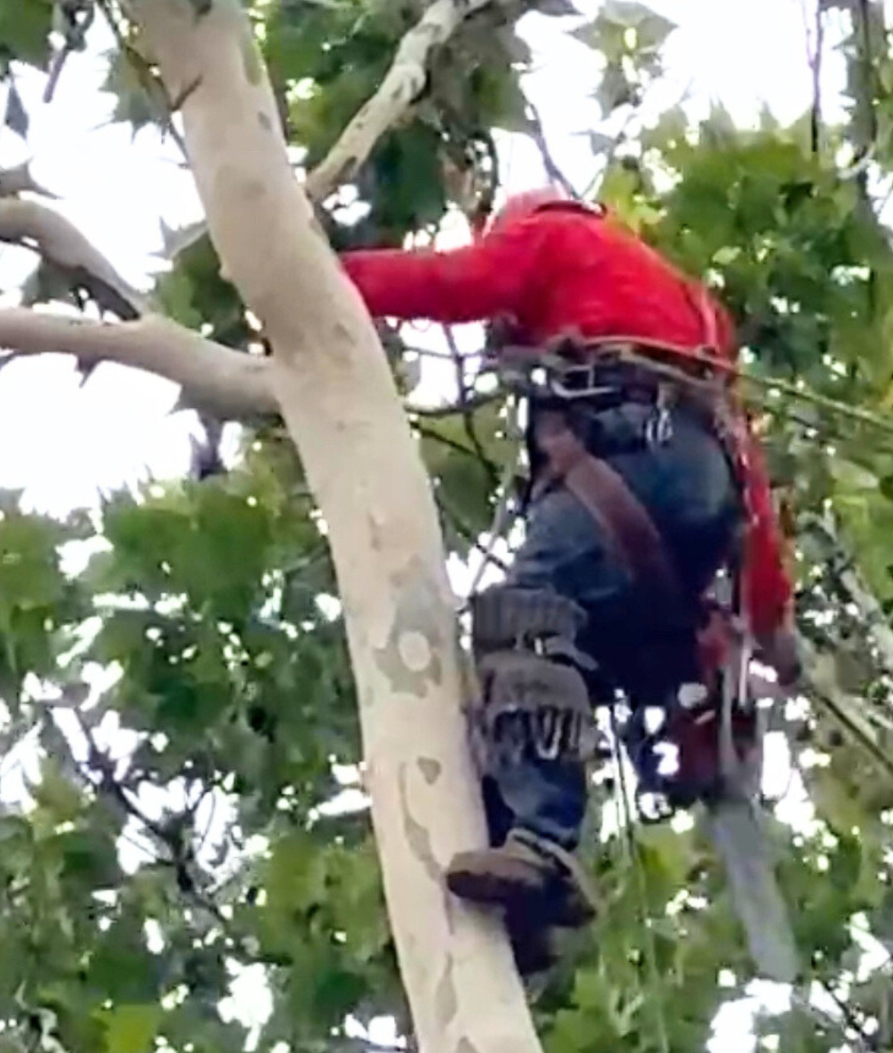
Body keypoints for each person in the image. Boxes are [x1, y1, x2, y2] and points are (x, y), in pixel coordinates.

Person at [338, 186, 796, 969]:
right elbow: (749, 476)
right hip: (697, 501)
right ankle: (514, 851)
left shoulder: (552, 238)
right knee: (565, 657)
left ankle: (544, 843)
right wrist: (768, 615)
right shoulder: (694, 309)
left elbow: (459, 283)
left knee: (525, 617)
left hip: (625, 457)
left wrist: (325, 275)